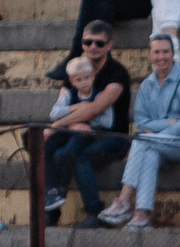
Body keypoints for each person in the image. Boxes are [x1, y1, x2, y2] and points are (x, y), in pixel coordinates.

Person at [92, 31, 180, 230]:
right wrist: (169, 123)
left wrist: (157, 131)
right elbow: (141, 122)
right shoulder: (146, 85)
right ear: (150, 55)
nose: (161, 57)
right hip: (159, 145)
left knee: (142, 140)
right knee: (149, 152)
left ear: (173, 54)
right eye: (157, 52)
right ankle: (142, 215)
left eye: (165, 52)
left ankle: (124, 200)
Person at [42, 28, 131, 223]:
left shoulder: (117, 73)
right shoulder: (76, 69)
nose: (93, 47)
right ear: (82, 44)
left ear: (109, 45)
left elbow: (95, 111)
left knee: (72, 155)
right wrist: (70, 124)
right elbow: (59, 108)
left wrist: (55, 126)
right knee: (39, 143)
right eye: (88, 42)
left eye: (99, 43)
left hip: (111, 136)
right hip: (79, 132)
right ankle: (52, 199)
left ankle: (93, 211)